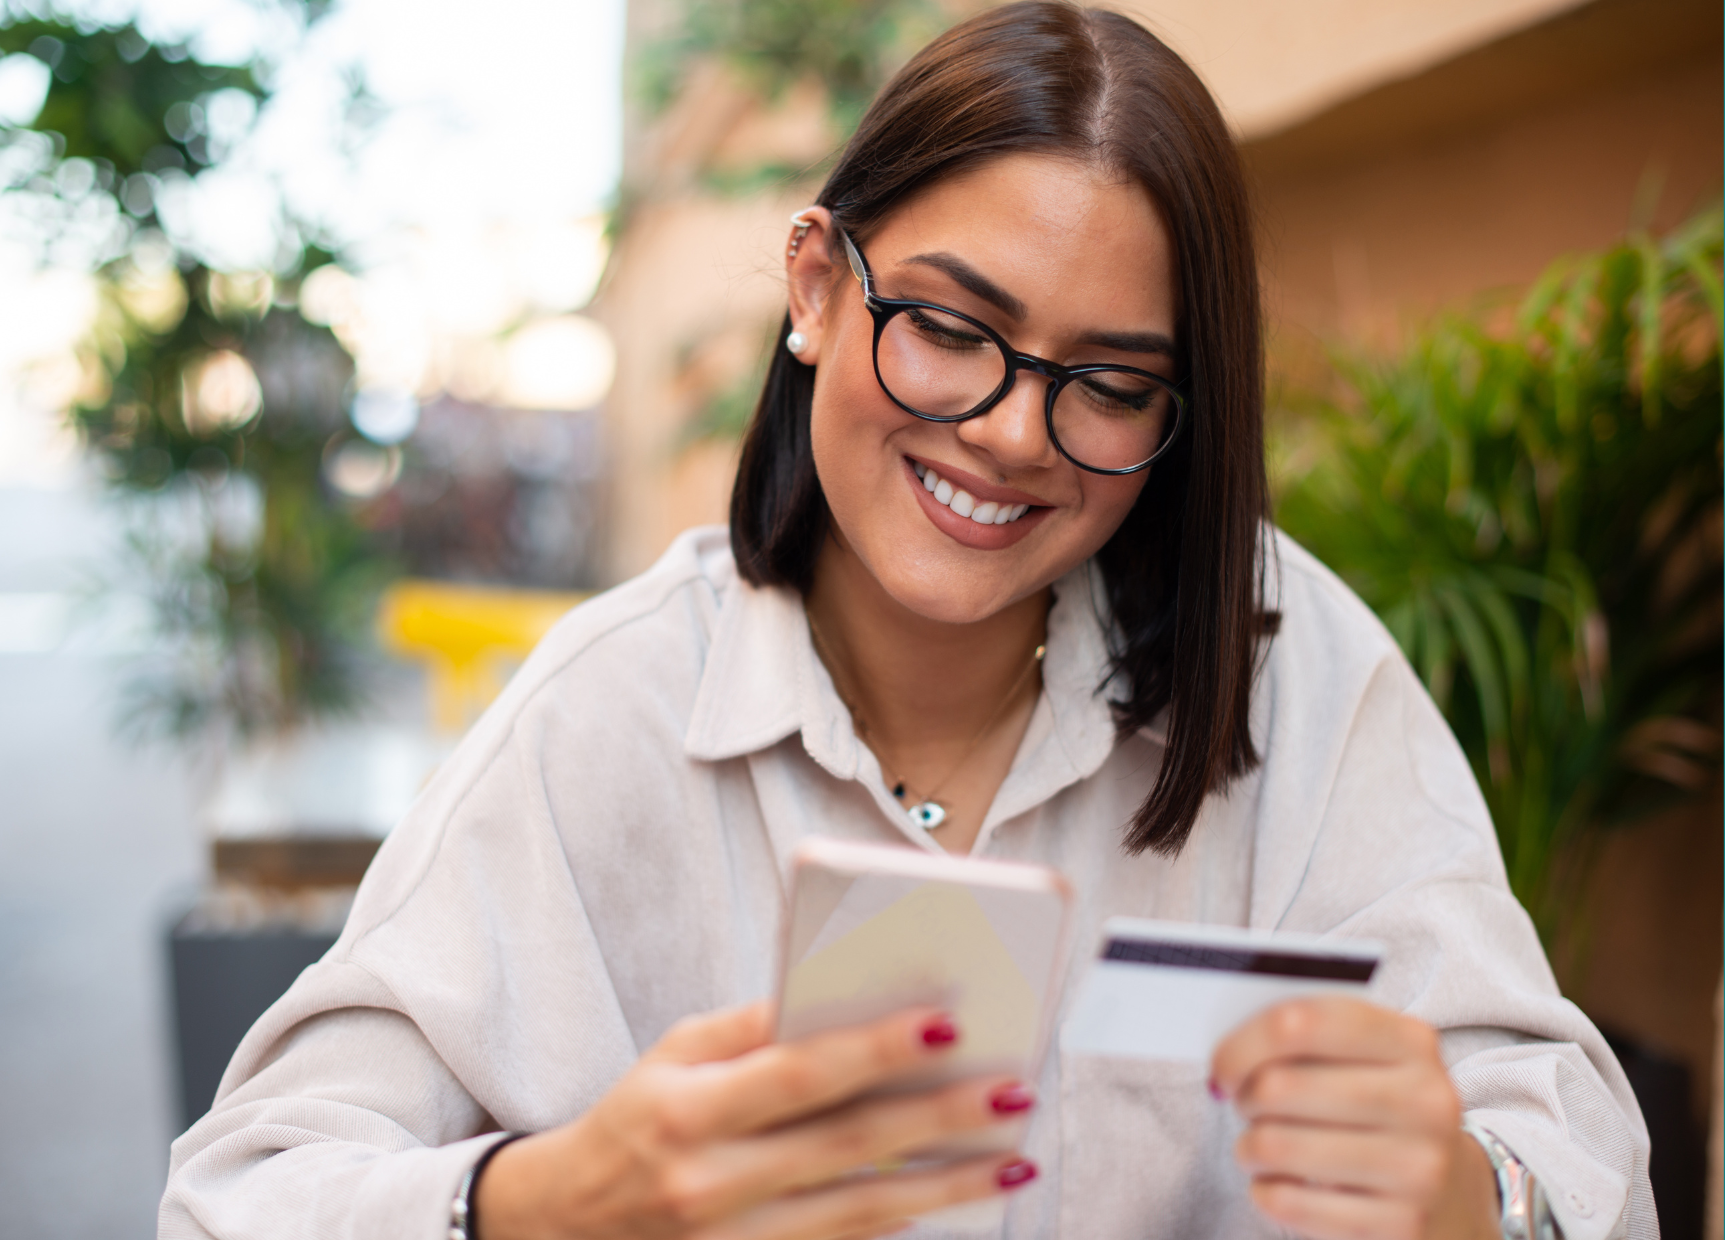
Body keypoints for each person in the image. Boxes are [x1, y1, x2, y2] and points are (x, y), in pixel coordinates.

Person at [159, 5, 1653, 1239]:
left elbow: (1581, 1159)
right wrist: (554, 1200)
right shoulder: (610, 710)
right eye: (948, 329)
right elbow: (240, 1196)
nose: (1010, 435)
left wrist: (1480, 1200)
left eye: (1114, 384)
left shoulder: (1293, 671)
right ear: (815, 286)